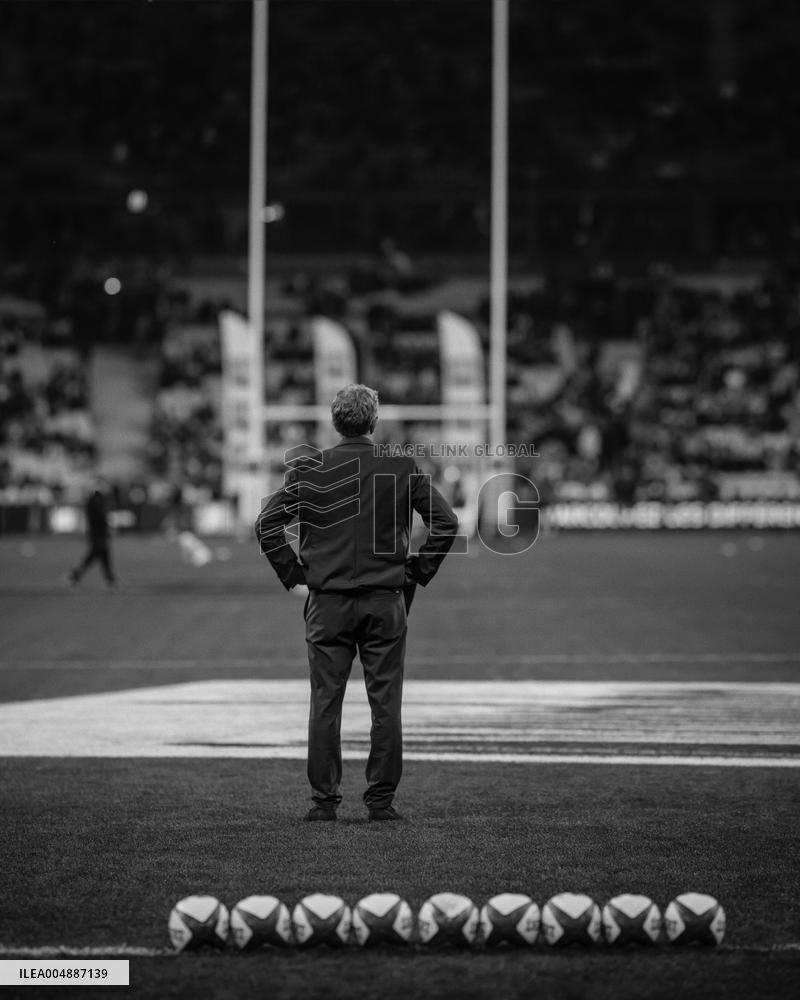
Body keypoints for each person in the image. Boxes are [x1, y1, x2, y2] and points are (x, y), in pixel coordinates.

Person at [255, 384, 458, 822]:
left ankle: (324, 802)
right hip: (385, 600)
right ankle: (380, 802)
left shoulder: (309, 469)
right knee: (386, 702)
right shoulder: (401, 466)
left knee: (325, 702)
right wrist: (416, 574)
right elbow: (446, 523)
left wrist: (296, 580)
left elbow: (267, 525)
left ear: (335, 423)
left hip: (327, 603)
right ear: (374, 421)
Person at [68, 478, 116, 588]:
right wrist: (108, 528)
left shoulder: (93, 499)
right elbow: (101, 517)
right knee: (94, 555)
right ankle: (75, 575)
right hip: (99, 533)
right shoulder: (98, 499)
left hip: (96, 533)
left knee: (103, 556)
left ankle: (110, 579)